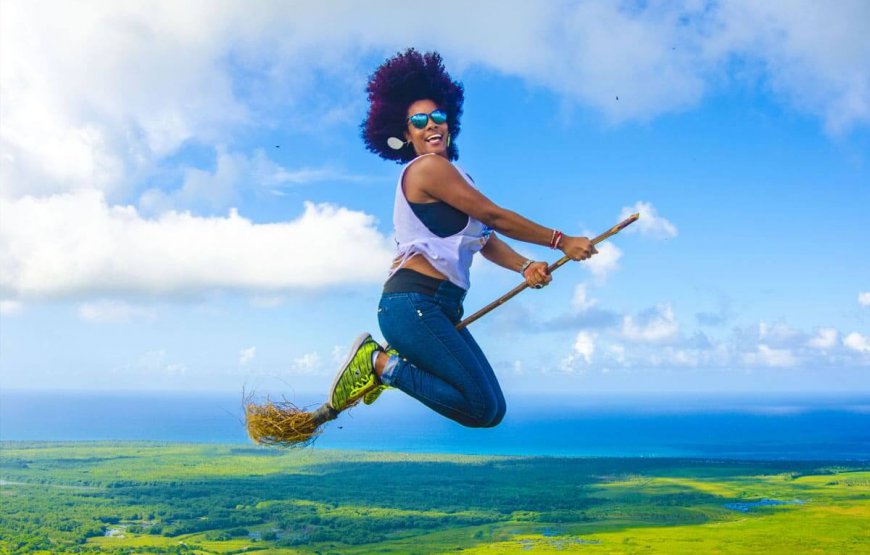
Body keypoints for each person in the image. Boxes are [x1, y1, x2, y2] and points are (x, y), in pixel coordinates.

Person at [328, 49, 596, 428]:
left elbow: (483, 237)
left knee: (493, 410)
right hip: (414, 303)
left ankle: (389, 368)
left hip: (439, 306)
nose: (431, 125)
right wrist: (560, 240)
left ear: (449, 123)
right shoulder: (427, 169)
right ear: (406, 134)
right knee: (480, 408)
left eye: (438, 116)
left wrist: (524, 265)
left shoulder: (456, 176)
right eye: (418, 121)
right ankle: (379, 363)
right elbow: (493, 215)